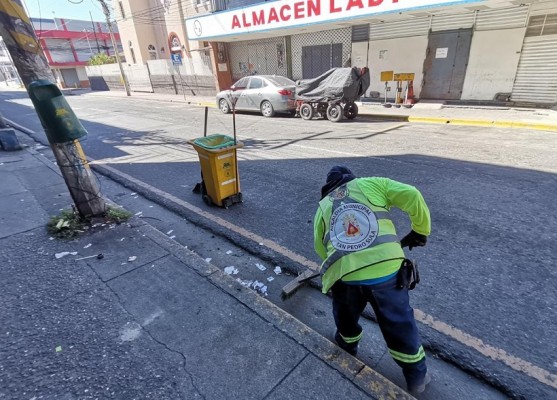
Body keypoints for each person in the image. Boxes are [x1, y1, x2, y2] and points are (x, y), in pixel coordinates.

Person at [313, 166, 431, 395]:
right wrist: (420, 230)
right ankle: (417, 377)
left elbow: (320, 247)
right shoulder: (371, 184)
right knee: (399, 324)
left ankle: (348, 345)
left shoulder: (324, 206)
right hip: (386, 273)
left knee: (345, 316)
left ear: (329, 187)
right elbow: (412, 194)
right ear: (350, 179)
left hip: (345, 275)